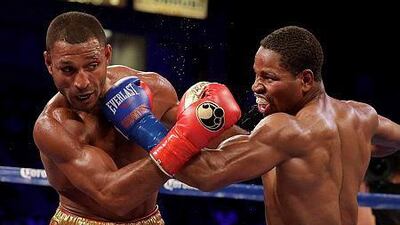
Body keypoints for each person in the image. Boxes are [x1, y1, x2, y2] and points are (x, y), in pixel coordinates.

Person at [176, 26, 400, 225]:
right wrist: (360, 150)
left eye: (269, 77)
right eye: (256, 75)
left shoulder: (286, 129)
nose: (256, 86)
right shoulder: (361, 116)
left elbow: (207, 174)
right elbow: (393, 142)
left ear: (305, 80)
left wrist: (143, 123)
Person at [33, 11, 241, 224]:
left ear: (107, 55)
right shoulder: (52, 126)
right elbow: (114, 197)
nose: (82, 82)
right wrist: (180, 141)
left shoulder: (151, 87)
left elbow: (210, 134)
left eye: (92, 65)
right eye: (68, 69)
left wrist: (268, 137)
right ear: (49, 63)